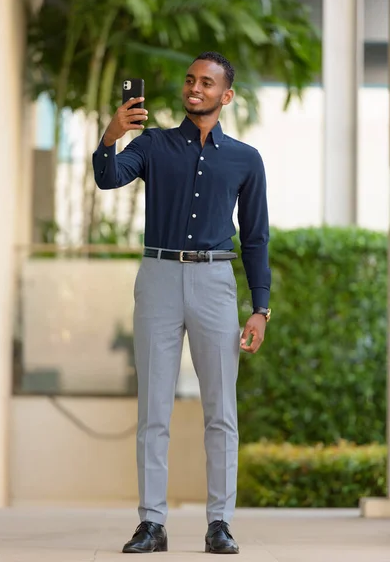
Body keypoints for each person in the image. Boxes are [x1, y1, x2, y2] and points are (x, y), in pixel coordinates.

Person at [92, 51, 271, 555]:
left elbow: (255, 238)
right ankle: (152, 523)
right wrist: (111, 135)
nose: (195, 88)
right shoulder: (151, 143)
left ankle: (220, 523)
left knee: (222, 412)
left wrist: (261, 307)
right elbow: (107, 177)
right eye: (191, 80)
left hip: (216, 281)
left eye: (207, 83)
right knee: (153, 410)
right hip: (159, 279)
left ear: (225, 95)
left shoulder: (245, 159)